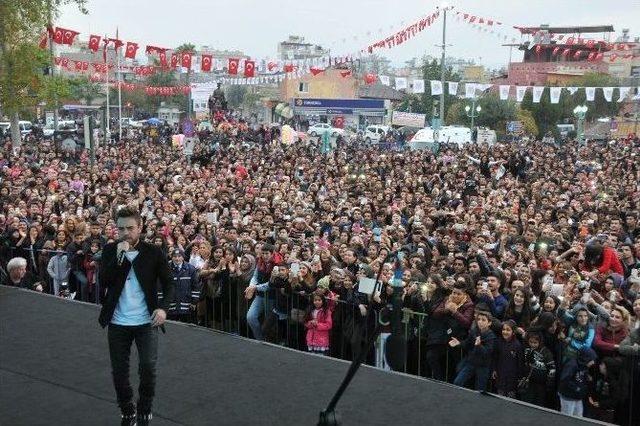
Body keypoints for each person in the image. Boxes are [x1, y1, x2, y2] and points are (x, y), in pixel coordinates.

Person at [98, 207, 174, 426]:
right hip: (117, 321)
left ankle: (145, 407)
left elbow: (169, 283)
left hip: (146, 321)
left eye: (130, 228)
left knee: (148, 368)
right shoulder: (111, 250)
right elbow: (104, 280)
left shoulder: (153, 252)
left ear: (140, 228)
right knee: (119, 372)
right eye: (120, 228)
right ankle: (127, 408)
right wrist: (119, 256)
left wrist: (163, 309)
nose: (125, 233)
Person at [451, 310, 497, 391]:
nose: (480, 322)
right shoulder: (474, 331)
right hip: (471, 362)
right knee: (457, 382)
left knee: (480, 390)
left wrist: (479, 345)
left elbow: (487, 353)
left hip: (483, 366)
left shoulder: (491, 337)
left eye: (483, 320)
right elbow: (467, 344)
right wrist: (459, 343)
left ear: (489, 323)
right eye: (478, 319)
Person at [166, 248, 200, 323]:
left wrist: (194, 302)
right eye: (175, 256)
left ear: (183, 257)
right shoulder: (166, 268)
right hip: (171, 306)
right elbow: (161, 286)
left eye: (179, 256)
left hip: (186, 305)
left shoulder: (191, 269)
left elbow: (195, 286)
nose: (177, 258)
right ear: (171, 257)